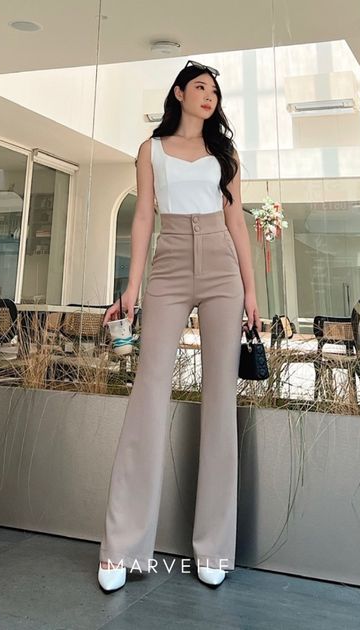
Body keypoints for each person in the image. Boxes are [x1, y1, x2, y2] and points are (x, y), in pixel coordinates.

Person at [97, 61, 262, 592]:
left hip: (220, 265)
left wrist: (251, 291)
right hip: (167, 263)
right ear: (179, 93)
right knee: (148, 393)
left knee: (220, 399)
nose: (209, 96)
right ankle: (122, 548)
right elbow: (143, 215)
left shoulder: (224, 154)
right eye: (200, 87)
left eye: (214, 90)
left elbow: (237, 221)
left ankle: (214, 547)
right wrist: (131, 286)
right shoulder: (151, 149)